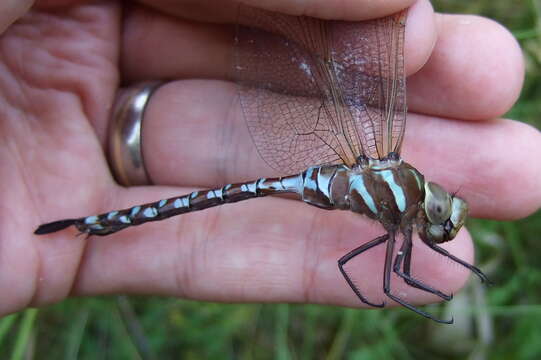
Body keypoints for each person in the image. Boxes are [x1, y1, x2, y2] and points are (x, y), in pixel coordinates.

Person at [0, 0, 538, 318]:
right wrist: (445, 280)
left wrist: (453, 276)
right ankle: (97, 223)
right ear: (426, 212)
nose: (440, 226)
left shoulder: (399, 195)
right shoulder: (402, 208)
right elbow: (378, 274)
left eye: (445, 222)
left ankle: (89, 224)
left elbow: (381, 274)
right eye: (442, 223)